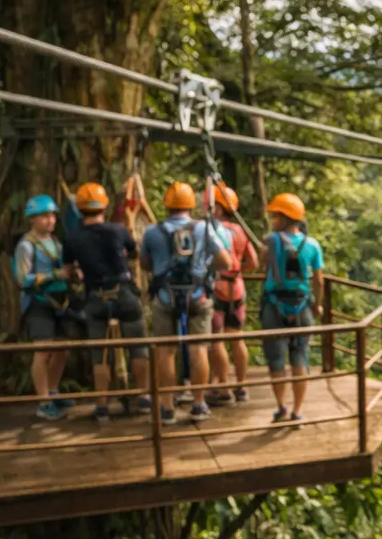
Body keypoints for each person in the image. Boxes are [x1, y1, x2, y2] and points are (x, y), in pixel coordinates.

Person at [63, 182, 154, 424]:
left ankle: (102, 405)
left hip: (95, 297)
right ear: (103, 206)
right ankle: (144, 396)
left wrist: (78, 274)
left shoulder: (72, 238)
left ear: (79, 209)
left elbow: (69, 271)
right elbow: (134, 252)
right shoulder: (118, 230)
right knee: (138, 346)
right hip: (123, 293)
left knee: (99, 354)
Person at [140, 181, 230, 424]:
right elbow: (225, 261)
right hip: (198, 295)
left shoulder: (151, 232)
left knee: (165, 351)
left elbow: (145, 265)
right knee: (199, 348)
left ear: (166, 205)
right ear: (190, 205)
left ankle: (167, 407)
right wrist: (205, 269)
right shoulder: (204, 229)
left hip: (165, 297)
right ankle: (199, 403)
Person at [259, 193, 324, 422]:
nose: (273, 219)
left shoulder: (271, 240)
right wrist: (318, 305)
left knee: (276, 360)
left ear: (285, 218)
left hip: (274, 306)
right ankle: (297, 411)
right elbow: (318, 280)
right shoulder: (313, 245)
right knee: (300, 359)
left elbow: (261, 264)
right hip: (302, 307)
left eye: (276, 215)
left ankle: (281, 407)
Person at [13, 194, 74, 420]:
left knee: (61, 350)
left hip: (59, 301)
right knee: (42, 351)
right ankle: (43, 401)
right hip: (39, 302)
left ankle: (54, 391)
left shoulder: (55, 242)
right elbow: (22, 279)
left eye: (52, 216)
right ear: (32, 219)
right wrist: (53, 274)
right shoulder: (26, 246)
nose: (50, 220)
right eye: (44, 216)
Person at [206, 183, 261, 406]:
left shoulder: (212, 230)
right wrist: (238, 271)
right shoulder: (241, 231)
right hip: (237, 288)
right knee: (237, 337)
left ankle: (223, 386)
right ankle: (242, 385)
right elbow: (254, 262)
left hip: (218, 287)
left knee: (217, 339)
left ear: (219, 208)